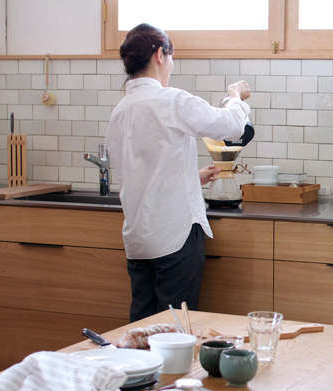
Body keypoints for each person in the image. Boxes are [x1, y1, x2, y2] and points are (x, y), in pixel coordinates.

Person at [106, 23, 251, 322]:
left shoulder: (120, 111)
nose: (171, 65)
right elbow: (232, 125)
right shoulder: (171, 100)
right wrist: (235, 96)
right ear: (160, 54)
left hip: (138, 240)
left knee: (142, 331)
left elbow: (141, 176)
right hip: (175, 238)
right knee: (174, 334)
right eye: (171, 57)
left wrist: (192, 178)